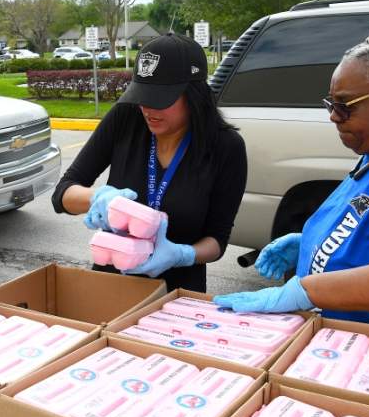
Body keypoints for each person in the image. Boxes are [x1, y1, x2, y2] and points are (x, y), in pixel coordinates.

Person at [214, 30, 369, 335]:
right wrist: (309, 243)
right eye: (331, 104)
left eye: (346, 105)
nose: (334, 116)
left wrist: (306, 291)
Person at [52, 33, 247, 292]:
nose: (147, 109)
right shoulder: (126, 118)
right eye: (142, 95)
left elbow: (217, 241)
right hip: (110, 284)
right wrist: (99, 197)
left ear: (194, 95)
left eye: (160, 99)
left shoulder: (226, 147)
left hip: (178, 295)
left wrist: (182, 254)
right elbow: (62, 194)